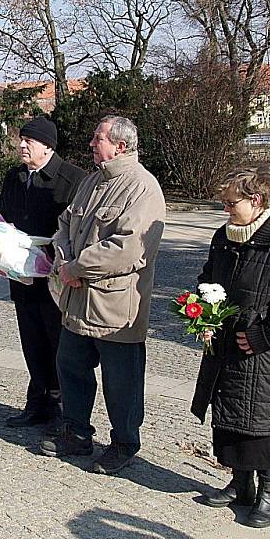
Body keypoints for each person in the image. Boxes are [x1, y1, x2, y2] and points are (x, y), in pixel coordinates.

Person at [192, 167, 270, 529]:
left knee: (260, 424)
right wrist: (202, 313)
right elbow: (207, 278)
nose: (225, 209)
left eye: (231, 203)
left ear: (256, 200)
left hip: (260, 353)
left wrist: (265, 335)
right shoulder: (225, 236)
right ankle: (240, 484)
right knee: (229, 419)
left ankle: (268, 492)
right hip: (225, 347)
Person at [41, 115, 166, 475]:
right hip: (76, 301)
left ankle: (125, 443)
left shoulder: (142, 188)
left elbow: (128, 249)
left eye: (98, 138)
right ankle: (77, 432)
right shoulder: (92, 181)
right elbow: (65, 224)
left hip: (115, 309)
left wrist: (76, 268)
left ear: (120, 146)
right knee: (70, 366)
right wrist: (64, 261)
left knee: (121, 382)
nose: (91, 144)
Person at [0, 116, 86, 432]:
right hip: (21, 277)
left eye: (29, 141)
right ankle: (37, 403)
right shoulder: (15, 177)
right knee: (31, 341)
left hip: (56, 278)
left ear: (48, 146)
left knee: (59, 344)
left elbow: (79, 230)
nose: (21, 145)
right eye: (21, 139)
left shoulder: (74, 179)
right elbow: (3, 219)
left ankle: (63, 409)